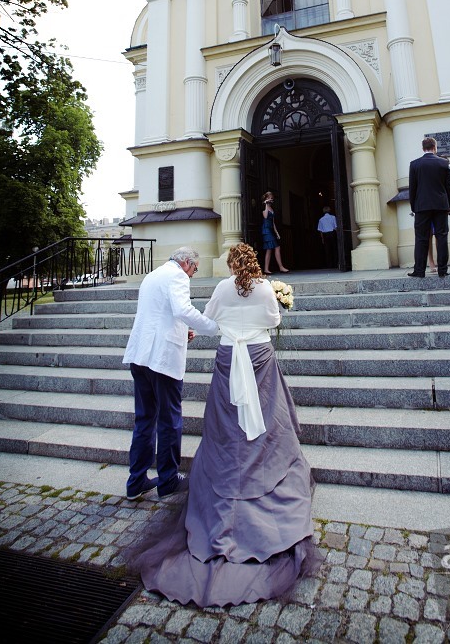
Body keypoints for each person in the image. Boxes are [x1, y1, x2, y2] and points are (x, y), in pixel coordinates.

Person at [136, 243, 318, 607]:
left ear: (232, 264)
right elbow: (273, 321)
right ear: (253, 263)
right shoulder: (267, 289)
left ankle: (223, 484)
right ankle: (264, 475)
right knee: (266, 422)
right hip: (258, 356)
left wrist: (224, 326)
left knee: (226, 426)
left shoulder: (221, 288)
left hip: (228, 356)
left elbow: (212, 320)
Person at [123, 247, 219, 500]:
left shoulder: (153, 275)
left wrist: (182, 330)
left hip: (140, 354)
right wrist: (212, 327)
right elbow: (182, 310)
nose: (193, 275)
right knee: (169, 419)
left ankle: (136, 481)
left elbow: (159, 314)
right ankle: (167, 480)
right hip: (161, 359)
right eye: (195, 269)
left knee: (144, 419)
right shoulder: (177, 276)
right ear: (187, 263)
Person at [408, 137, 450, 278]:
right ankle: (443, 270)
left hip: (421, 206)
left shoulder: (414, 164)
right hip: (441, 205)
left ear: (423, 148)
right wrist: (449, 205)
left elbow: (412, 189)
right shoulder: (444, 163)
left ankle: (419, 270)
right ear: (435, 147)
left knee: (421, 238)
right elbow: (448, 187)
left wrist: (414, 207)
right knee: (442, 237)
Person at [261, 190, 289, 275]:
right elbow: (265, 216)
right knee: (276, 248)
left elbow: (273, 222)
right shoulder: (264, 207)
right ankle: (280, 267)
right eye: (269, 198)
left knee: (269, 249)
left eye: (271, 198)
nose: (270, 199)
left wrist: (277, 233)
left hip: (271, 230)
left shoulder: (272, 208)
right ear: (266, 198)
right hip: (266, 230)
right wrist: (265, 204)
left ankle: (266, 269)